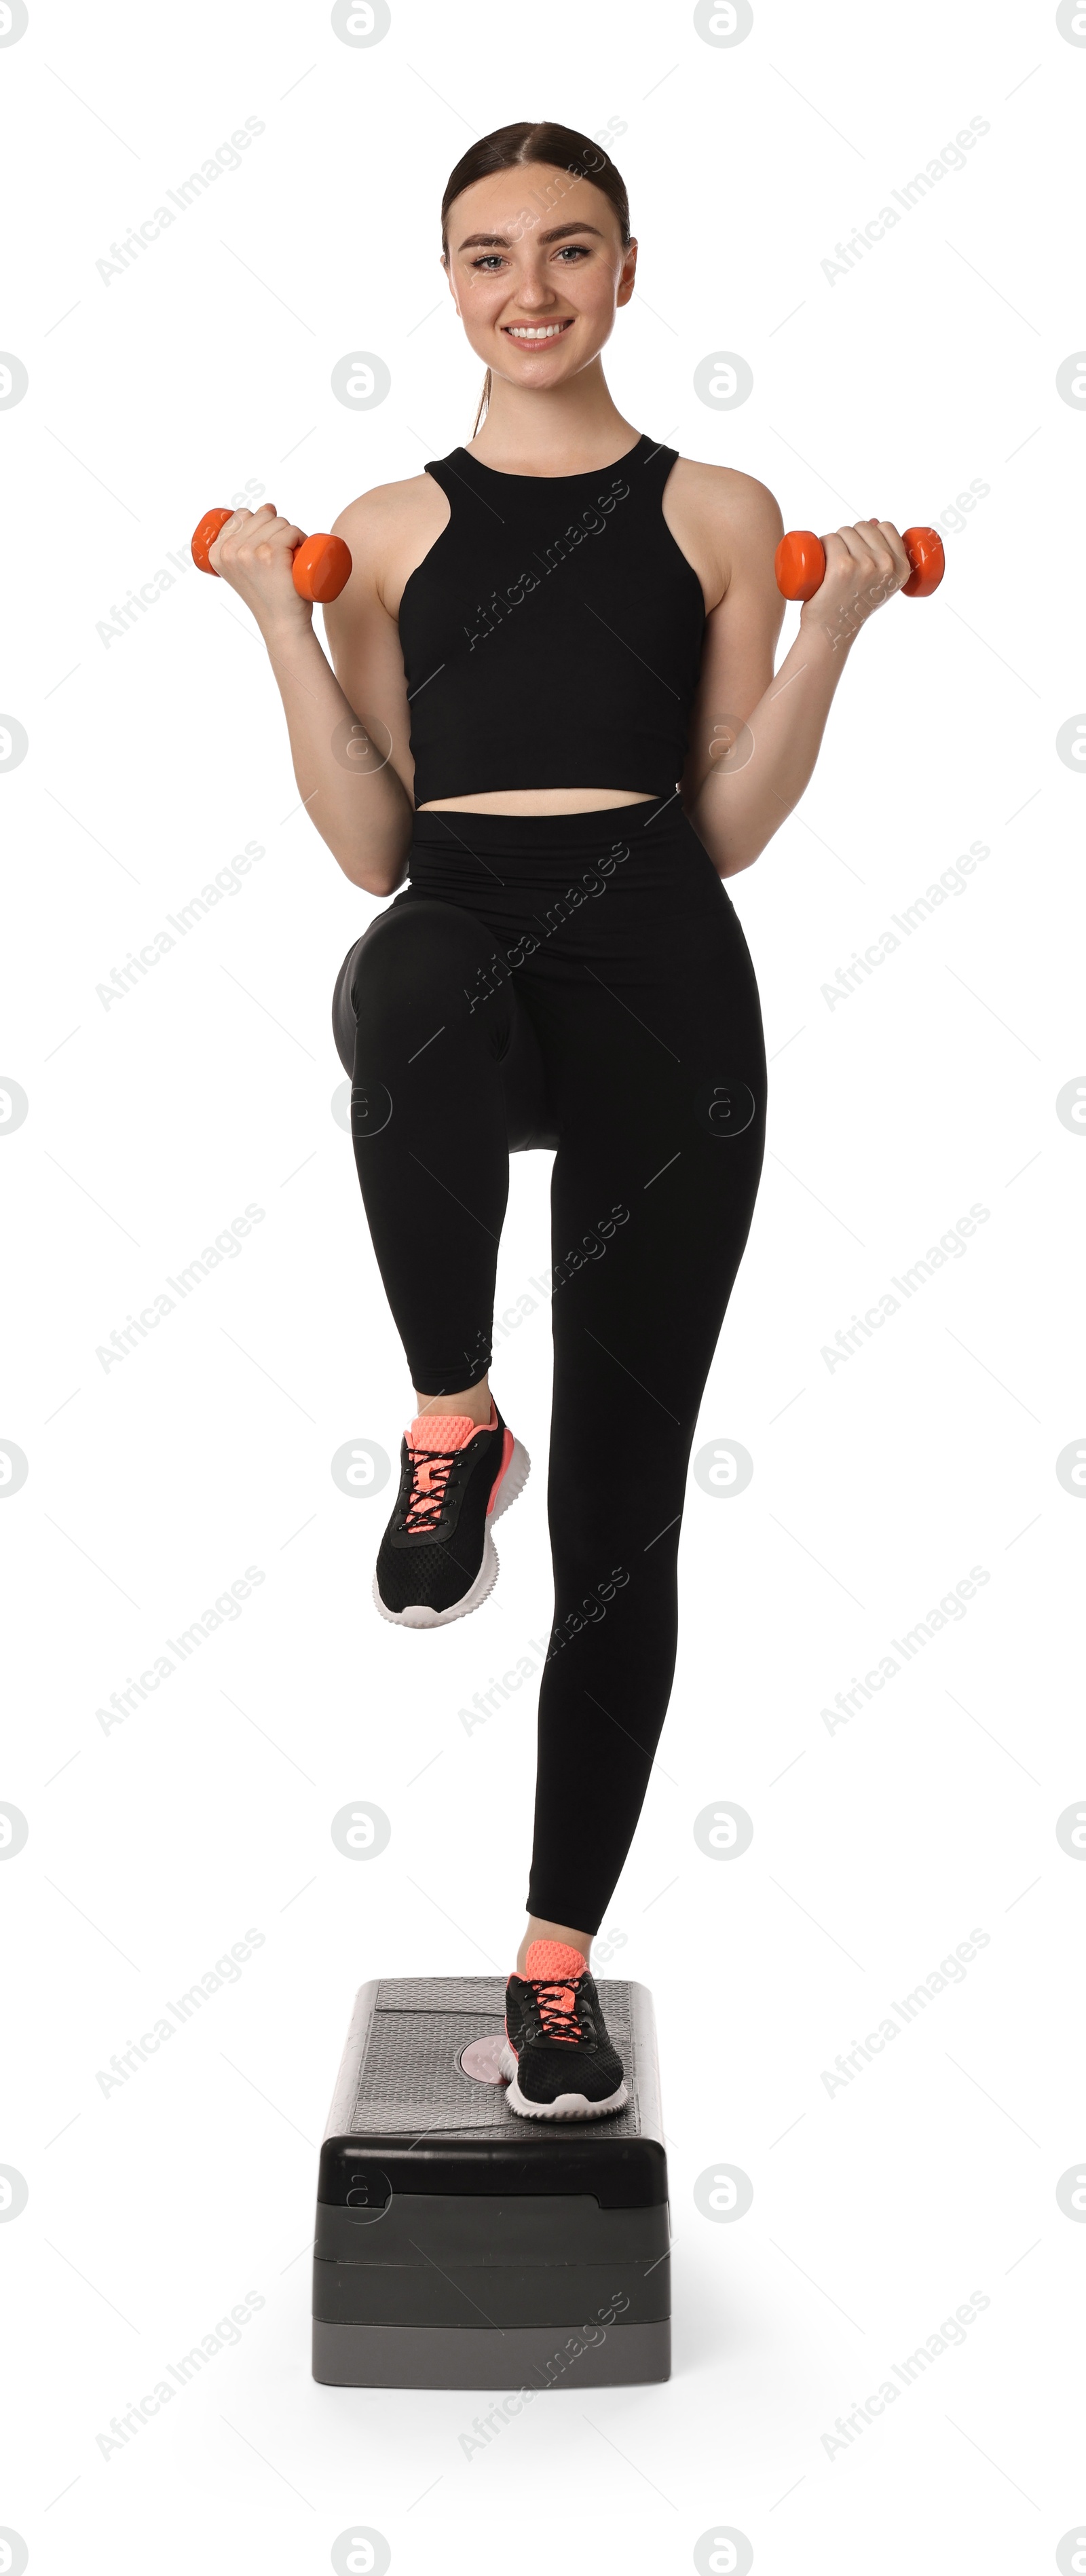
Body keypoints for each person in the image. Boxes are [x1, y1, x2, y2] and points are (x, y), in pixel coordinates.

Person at [206, 120, 914, 2120]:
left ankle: (554, 1959)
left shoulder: (714, 509)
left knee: (625, 1514)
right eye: (488, 255)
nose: (530, 288)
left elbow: (729, 822)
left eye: (571, 250)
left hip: (664, 974)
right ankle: (450, 1417)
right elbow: (372, 852)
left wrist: (835, 628)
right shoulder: (390, 532)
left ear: (626, 269)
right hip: (474, 954)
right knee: (407, 978)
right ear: (446, 282)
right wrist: (278, 614)